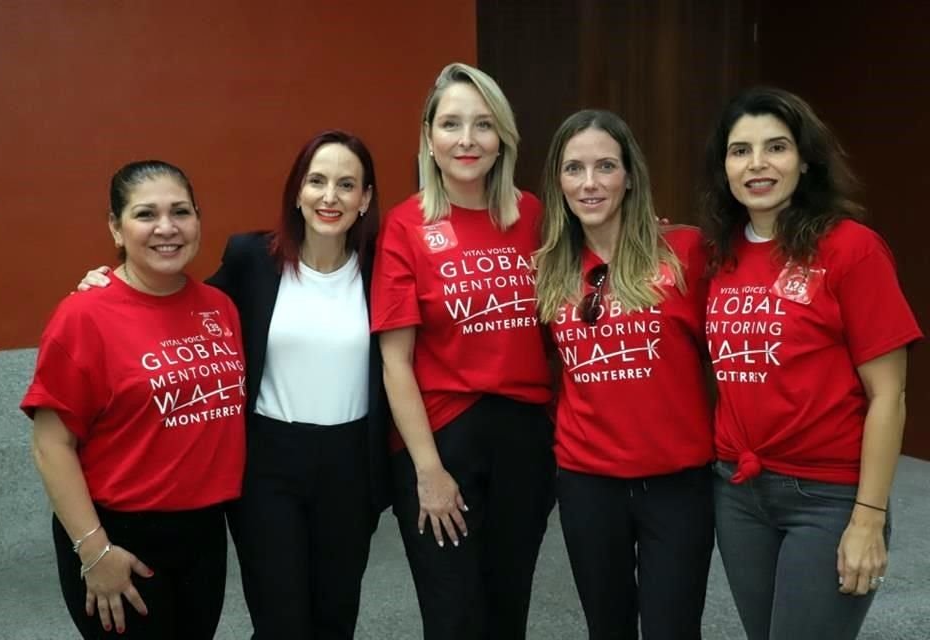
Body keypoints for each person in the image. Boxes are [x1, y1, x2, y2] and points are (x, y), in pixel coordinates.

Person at [76, 131, 389, 639]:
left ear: (365, 199)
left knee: (336, 614)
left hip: (351, 465)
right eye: (316, 181)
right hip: (267, 467)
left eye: (346, 184)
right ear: (297, 191)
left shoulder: (382, 266)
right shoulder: (252, 259)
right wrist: (109, 280)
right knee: (281, 619)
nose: (329, 197)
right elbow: (180, 301)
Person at [701, 87, 923, 639]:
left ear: (804, 160)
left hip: (825, 497)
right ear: (723, 166)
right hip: (738, 490)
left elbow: (888, 396)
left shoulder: (851, 249)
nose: (757, 164)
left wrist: (868, 517)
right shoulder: (719, 253)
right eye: (739, 150)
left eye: (775, 147)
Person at [22, 160, 246, 639]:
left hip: (203, 535)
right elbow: (50, 446)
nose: (166, 228)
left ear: (198, 220)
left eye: (180, 212)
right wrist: (95, 552)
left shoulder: (220, 307)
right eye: (146, 214)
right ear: (116, 228)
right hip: (118, 535)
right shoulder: (83, 316)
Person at [370, 62, 555, 639]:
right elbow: (395, 360)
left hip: (524, 436)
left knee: (508, 603)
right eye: (451, 124)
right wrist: (428, 470)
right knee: (453, 615)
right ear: (429, 138)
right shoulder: (405, 226)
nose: (467, 140)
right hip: (441, 436)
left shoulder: (533, 216)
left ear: (503, 137)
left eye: (483, 124)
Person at [535, 109, 714, 639]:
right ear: (558, 180)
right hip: (588, 483)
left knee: (672, 628)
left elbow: (729, 352)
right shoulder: (548, 267)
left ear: (630, 174)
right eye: (574, 169)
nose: (589, 183)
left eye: (605, 166)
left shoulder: (685, 252)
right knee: (606, 627)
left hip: (677, 483)